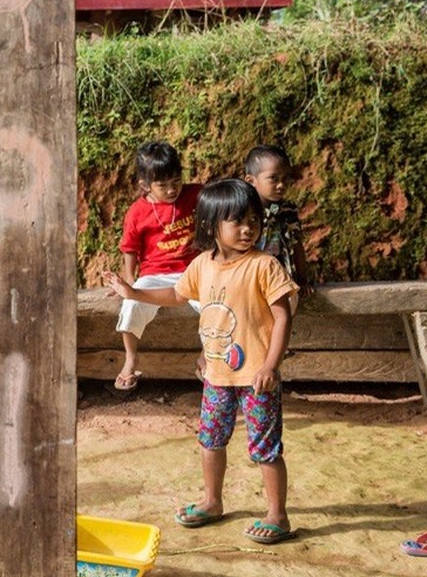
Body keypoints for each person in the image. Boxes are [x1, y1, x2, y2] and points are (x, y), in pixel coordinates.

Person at [106, 179, 299, 545]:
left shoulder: (265, 265)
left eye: (254, 220)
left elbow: (283, 316)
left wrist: (270, 366)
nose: (248, 229)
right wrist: (133, 292)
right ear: (211, 226)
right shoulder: (201, 265)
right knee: (210, 440)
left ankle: (278, 515)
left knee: (265, 447)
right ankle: (212, 502)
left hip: (257, 377)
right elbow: (176, 295)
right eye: (237, 221)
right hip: (216, 376)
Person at [113, 141, 201, 391]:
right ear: (145, 185)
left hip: (194, 272)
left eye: (176, 181)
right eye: (163, 185)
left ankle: (207, 357)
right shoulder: (137, 212)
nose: (172, 189)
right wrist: (129, 281)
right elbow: (130, 248)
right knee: (131, 305)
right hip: (155, 275)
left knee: (216, 305)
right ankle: (130, 358)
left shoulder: (196, 195)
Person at [244, 145, 312, 297]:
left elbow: (297, 245)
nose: (281, 185)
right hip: (251, 281)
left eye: (285, 178)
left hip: (282, 282)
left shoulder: (288, 211)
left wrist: (302, 280)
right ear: (251, 181)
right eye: (273, 178)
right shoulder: (243, 213)